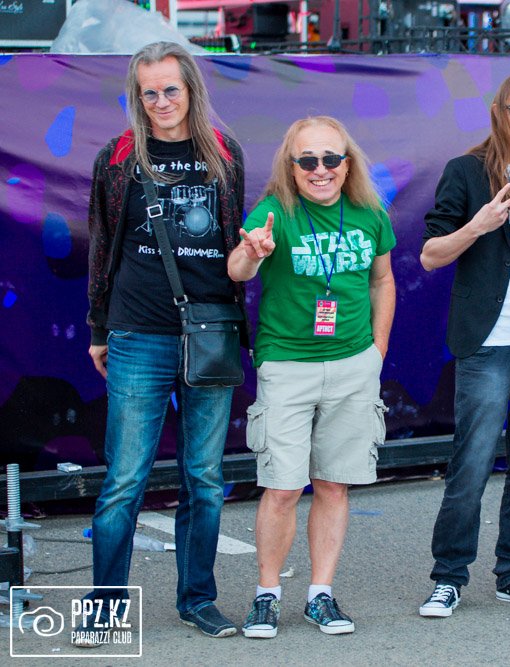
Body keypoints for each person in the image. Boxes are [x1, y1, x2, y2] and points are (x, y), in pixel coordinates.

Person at [80, 40, 246, 645]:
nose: (160, 102)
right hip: (137, 333)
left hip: (209, 334)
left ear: (191, 89)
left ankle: (198, 600)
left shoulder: (224, 152)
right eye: (148, 92)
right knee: (124, 481)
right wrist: (99, 329)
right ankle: (105, 610)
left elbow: (232, 246)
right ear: (137, 95)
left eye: (170, 89)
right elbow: (102, 245)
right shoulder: (118, 156)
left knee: (204, 477)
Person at [228, 116, 396, 638]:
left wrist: (376, 351)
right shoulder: (274, 212)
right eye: (307, 160)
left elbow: (383, 280)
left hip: (353, 366)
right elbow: (237, 270)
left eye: (330, 159)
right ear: (292, 166)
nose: (320, 169)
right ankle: (267, 595)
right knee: (282, 488)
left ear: (347, 164)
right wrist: (251, 253)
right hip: (288, 365)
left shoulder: (369, 213)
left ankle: (320, 595)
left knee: (333, 485)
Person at [417, 69, 510, 618]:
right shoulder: (465, 171)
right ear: (497, 113)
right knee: (472, 463)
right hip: (488, 344)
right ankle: (448, 577)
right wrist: (478, 225)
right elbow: (430, 255)